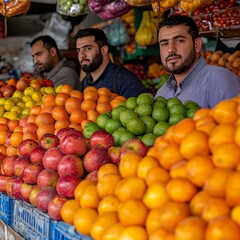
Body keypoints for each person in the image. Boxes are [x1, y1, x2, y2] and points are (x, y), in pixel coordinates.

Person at [155, 14, 240, 108]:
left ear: (197, 45)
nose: (170, 49)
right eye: (164, 43)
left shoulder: (219, 80)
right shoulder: (161, 94)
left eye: (179, 41)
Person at [75, 28, 149, 98]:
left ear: (104, 50)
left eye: (87, 48)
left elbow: (142, 107)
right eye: (78, 50)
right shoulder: (85, 82)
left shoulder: (124, 79)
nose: (81, 55)